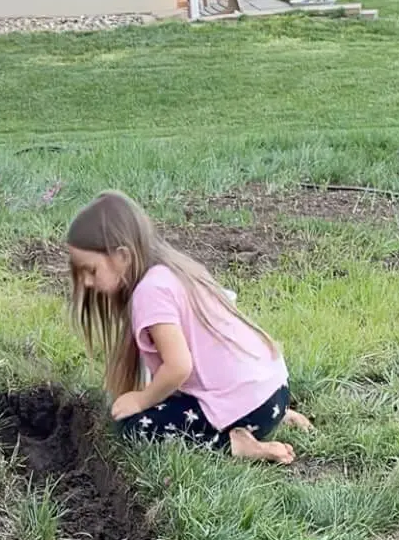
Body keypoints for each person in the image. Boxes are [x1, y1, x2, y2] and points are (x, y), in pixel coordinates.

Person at [67, 192, 312, 464]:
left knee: (134, 427)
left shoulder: (149, 292)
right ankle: (273, 416)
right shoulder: (174, 271)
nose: (86, 283)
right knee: (165, 405)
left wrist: (142, 400)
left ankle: (238, 444)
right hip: (272, 392)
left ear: (122, 256)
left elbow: (178, 367)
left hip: (253, 407)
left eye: (91, 270)